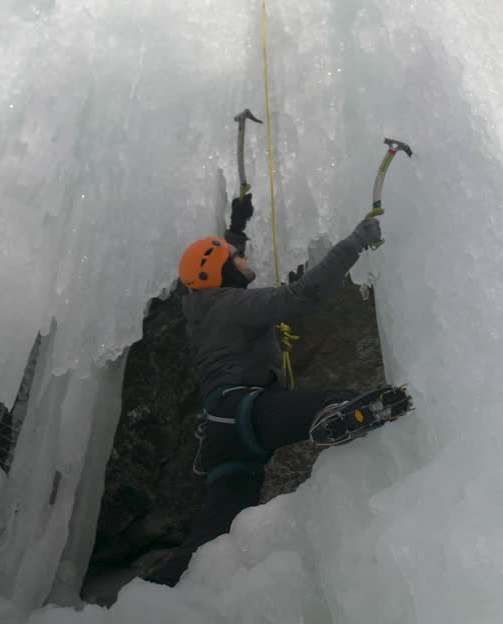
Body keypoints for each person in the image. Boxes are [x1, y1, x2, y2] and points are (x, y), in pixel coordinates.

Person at [142, 195, 411, 587]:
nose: (244, 260)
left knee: (211, 540)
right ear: (222, 270)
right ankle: (333, 416)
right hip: (246, 411)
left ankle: (151, 594)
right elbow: (303, 295)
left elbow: (217, 263)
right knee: (336, 400)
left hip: (223, 435)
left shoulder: (204, 310)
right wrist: (356, 241)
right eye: (237, 258)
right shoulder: (231, 304)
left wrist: (237, 225)